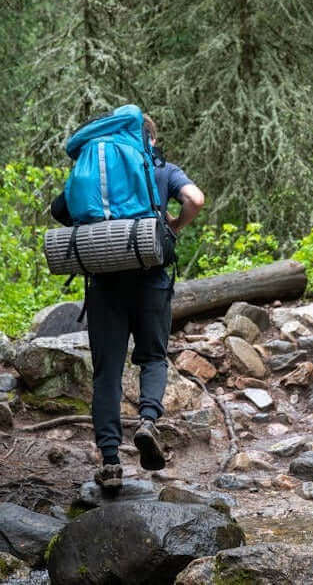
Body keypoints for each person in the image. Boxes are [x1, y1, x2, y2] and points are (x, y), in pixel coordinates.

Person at [51, 113, 204, 489]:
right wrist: (173, 226)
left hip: (104, 287)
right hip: (150, 279)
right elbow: (195, 200)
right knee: (152, 357)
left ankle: (109, 463)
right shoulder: (161, 169)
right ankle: (148, 421)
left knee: (107, 374)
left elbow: (59, 211)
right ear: (148, 139)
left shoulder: (91, 168)